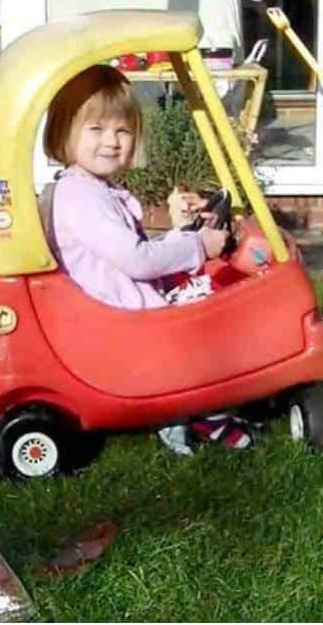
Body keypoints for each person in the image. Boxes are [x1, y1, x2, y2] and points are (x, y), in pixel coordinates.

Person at [40, 64, 251, 451]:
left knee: (212, 297)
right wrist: (198, 246)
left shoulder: (94, 189)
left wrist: (180, 233)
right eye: (96, 129)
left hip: (123, 303)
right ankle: (194, 412)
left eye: (122, 130)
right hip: (120, 317)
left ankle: (199, 403)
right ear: (64, 132)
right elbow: (136, 261)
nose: (111, 141)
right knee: (218, 318)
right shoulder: (81, 197)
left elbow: (131, 249)